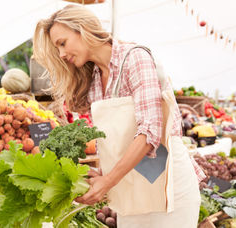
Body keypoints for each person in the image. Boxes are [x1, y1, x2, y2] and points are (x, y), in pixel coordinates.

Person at [33, 4, 204, 228]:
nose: (62, 54)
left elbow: (149, 132)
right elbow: (115, 139)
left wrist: (107, 181)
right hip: (131, 190)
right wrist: (100, 174)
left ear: (82, 28)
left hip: (168, 187)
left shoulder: (136, 58)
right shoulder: (94, 79)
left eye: (62, 43)